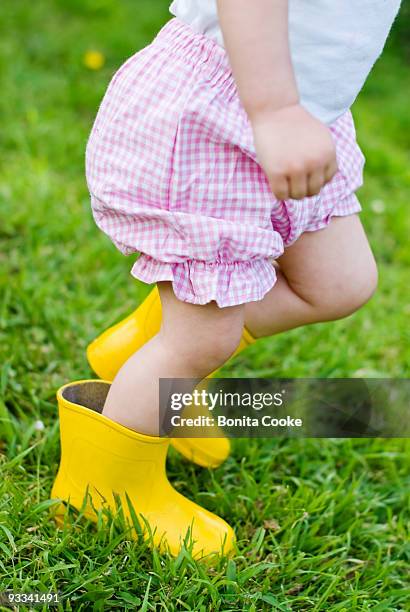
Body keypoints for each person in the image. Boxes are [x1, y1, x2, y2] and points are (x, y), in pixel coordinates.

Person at [51, 0, 402, 558]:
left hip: (303, 115)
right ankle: (104, 487)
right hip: (222, 114)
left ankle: (145, 360)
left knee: (340, 282)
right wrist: (276, 110)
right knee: (202, 339)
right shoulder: (258, 108)